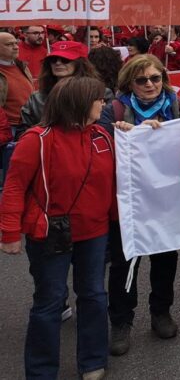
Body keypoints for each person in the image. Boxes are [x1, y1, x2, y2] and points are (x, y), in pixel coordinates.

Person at [1, 76, 114, 380]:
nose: (103, 104)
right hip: (49, 233)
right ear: (79, 103)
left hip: (95, 232)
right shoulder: (36, 139)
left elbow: (114, 184)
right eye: (98, 99)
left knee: (93, 296)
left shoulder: (102, 136)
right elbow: (13, 186)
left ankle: (92, 361)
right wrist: (9, 233)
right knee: (49, 303)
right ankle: (40, 371)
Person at [103, 54, 180, 355]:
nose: (150, 85)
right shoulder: (112, 111)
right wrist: (122, 136)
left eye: (155, 78)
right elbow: (100, 150)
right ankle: (121, 320)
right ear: (130, 82)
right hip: (128, 202)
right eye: (142, 80)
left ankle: (161, 312)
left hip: (167, 200)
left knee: (166, 259)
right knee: (124, 262)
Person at [0, 31, 35, 161]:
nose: (16, 47)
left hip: (26, 123)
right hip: (8, 127)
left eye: (16, 43)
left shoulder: (21, 65)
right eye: (9, 44)